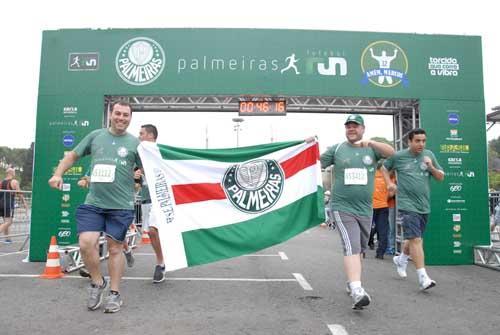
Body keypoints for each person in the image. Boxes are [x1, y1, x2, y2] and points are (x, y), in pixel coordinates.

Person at [48, 100, 141, 313]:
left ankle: (115, 294)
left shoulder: (135, 144)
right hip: (94, 204)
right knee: (85, 243)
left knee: (115, 248)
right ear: (111, 114)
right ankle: (98, 282)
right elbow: (72, 156)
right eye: (118, 113)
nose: (121, 118)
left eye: (125, 115)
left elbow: (150, 168)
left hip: (120, 206)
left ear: (130, 118)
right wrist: (57, 174)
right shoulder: (95, 136)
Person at [320, 114, 394, 310]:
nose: (351, 129)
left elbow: (391, 152)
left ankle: (352, 281)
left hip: (365, 209)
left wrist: (371, 143)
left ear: (363, 128)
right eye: (348, 126)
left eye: (355, 126)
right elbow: (314, 162)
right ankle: (357, 289)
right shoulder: (336, 149)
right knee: (351, 246)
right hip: (342, 207)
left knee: (360, 248)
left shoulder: (372, 149)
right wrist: (307, 146)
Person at [382, 128, 444, 291]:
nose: (421, 144)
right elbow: (383, 168)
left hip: (423, 205)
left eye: (423, 141)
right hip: (406, 204)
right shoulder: (399, 156)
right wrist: (389, 183)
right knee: (417, 240)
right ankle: (423, 277)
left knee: (413, 239)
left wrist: (430, 167)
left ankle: (401, 259)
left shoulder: (429, 155)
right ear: (409, 142)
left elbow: (440, 177)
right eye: (417, 141)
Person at [137, 124, 166, 283]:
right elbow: (135, 175)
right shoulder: (139, 152)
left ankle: (160, 263)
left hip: (162, 198)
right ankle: (162, 260)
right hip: (146, 198)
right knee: (150, 232)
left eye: (141, 133)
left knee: (154, 231)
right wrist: (135, 174)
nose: (139, 136)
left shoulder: (162, 151)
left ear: (150, 135)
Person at [370, 162, 393, 259]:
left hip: (370, 206)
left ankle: (362, 249)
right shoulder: (387, 176)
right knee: (383, 230)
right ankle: (380, 253)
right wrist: (384, 198)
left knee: (366, 228)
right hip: (383, 206)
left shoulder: (370, 174)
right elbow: (392, 192)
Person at [0, 167, 29, 243]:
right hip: (8, 203)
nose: (15, 173)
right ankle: (7, 238)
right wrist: (24, 203)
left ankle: (7, 239)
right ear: (11, 173)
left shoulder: (1, 182)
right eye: (14, 172)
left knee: (5, 221)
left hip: (1, 203)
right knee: (9, 222)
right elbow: (19, 193)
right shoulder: (14, 182)